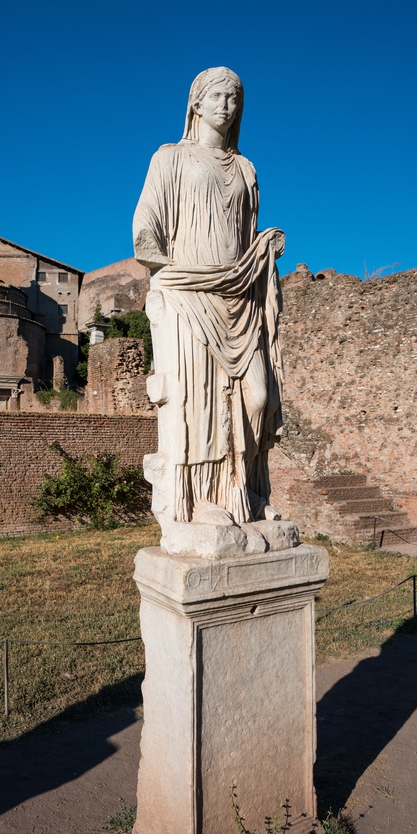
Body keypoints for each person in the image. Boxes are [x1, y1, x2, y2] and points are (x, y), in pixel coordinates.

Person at [133, 67, 285, 530]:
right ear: (196, 104)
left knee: (257, 396)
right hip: (186, 294)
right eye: (218, 96)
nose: (227, 106)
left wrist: (264, 247)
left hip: (238, 296)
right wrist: (171, 275)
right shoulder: (170, 158)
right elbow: (145, 231)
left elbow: (244, 234)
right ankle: (200, 502)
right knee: (195, 402)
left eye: (235, 99)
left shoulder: (245, 168)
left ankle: (247, 492)